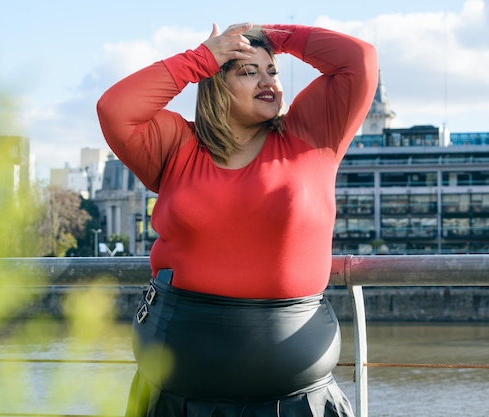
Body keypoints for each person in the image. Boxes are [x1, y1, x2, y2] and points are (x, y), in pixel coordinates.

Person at [97, 22, 377, 417]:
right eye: (248, 72)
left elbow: (358, 59)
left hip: (296, 401)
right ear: (215, 84)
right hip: (175, 399)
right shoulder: (177, 146)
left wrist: (270, 35)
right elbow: (115, 109)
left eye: (272, 71)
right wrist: (200, 58)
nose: (269, 82)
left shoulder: (312, 133)